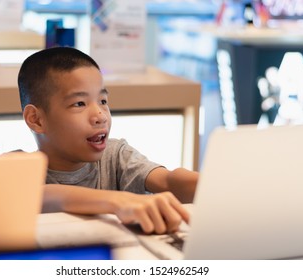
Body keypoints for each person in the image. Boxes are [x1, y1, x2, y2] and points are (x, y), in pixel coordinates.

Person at [18, 47, 198, 234]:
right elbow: (45, 196)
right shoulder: (16, 168)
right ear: (36, 119)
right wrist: (119, 201)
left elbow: (168, 181)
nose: (100, 115)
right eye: (79, 103)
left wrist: (213, 183)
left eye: (103, 101)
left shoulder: (115, 155)